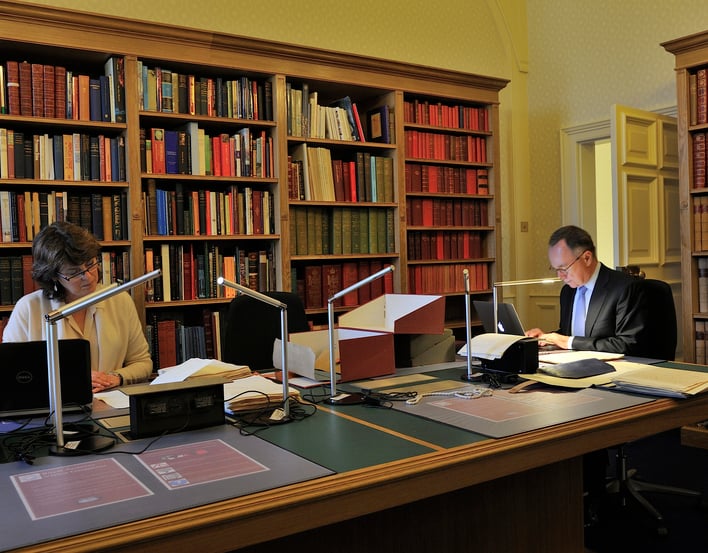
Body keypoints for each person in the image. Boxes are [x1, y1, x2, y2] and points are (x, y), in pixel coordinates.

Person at [2, 221, 152, 393]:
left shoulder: (119, 300)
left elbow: (142, 362)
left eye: (90, 264)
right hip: (52, 411)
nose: (87, 277)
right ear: (53, 276)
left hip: (109, 407)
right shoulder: (28, 309)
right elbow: (12, 374)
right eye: (74, 272)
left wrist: (115, 377)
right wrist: (73, 378)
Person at [525, 225, 646, 354]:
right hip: (574, 366)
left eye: (563, 268)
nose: (560, 276)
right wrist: (547, 338)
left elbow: (626, 345)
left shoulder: (625, 288)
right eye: (555, 269)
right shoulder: (567, 292)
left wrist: (567, 342)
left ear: (586, 258)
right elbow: (570, 334)